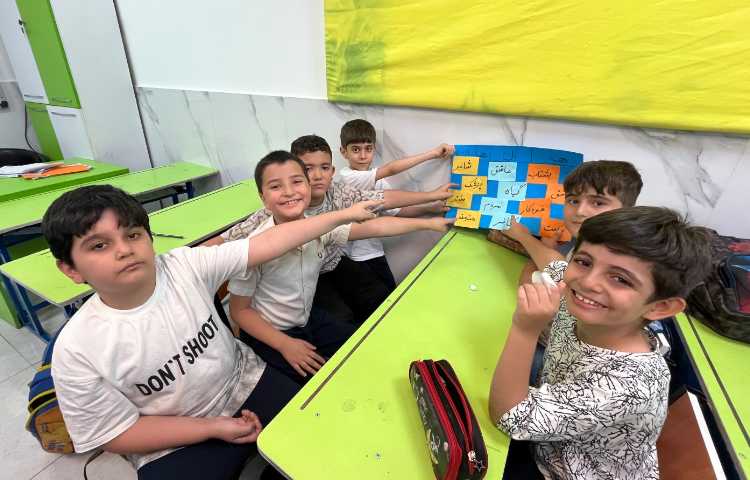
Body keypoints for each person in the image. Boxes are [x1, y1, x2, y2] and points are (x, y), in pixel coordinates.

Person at [43, 184, 380, 479]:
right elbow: (115, 434)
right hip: (172, 430)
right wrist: (211, 427)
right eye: (99, 245)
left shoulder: (181, 265)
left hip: (244, 379)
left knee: (325, 440)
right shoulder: (76, 350)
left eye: (132, 235)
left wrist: (342, 216)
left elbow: (268, 242)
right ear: (70, 269)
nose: (124, 250)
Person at [488, 206, 712, 479]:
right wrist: (523, 236)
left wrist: (525, 330)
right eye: (584, 261)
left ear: (660, 307)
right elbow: (553, 263)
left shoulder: (628, 385)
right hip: (547, 438)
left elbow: (509, 417)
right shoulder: (585, 299)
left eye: (620, 279)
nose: (588, 282)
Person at [228, 151, 452, 384]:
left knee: (362, 348)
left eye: (296, 182)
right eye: (276, 186)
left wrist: (429, 223)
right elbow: (239, 312)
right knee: (320, 384)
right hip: (270, 333)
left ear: (308, 186)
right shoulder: (253, 248)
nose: (289, 192)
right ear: (263, 197)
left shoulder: (318, 227)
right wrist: (284, 344)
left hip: (306, 317)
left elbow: (375, 227)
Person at [207, 134, 455, 325]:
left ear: (332, 170)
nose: (317, 176)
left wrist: (430, 199)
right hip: (301, 281)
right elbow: (225, 239)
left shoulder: (338, 192)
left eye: (324, 167)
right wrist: (185, 264)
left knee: (380, 298)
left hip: (334, 263)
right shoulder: (274, 214)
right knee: (341, 319)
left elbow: (382, 202)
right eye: (307, 169)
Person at [337, 118, 453, 292]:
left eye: (368, 149)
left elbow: (397, 210)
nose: (362, 156)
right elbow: (391, 169)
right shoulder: (348, 178)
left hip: (375, 253)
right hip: (354, 259)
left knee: (389, 297)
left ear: (374, 149)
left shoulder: (377, 181)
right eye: (355, 149)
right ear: (343, 152)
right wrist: (433, 153)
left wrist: (429, 208)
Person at [489, 160, 643, 285]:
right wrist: (545, 248)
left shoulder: (625, 255)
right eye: (573, 201)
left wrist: (523, 236)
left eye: (598, 203)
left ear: (626, 211)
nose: (580, 211)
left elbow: (539, 280)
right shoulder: (581, 243)